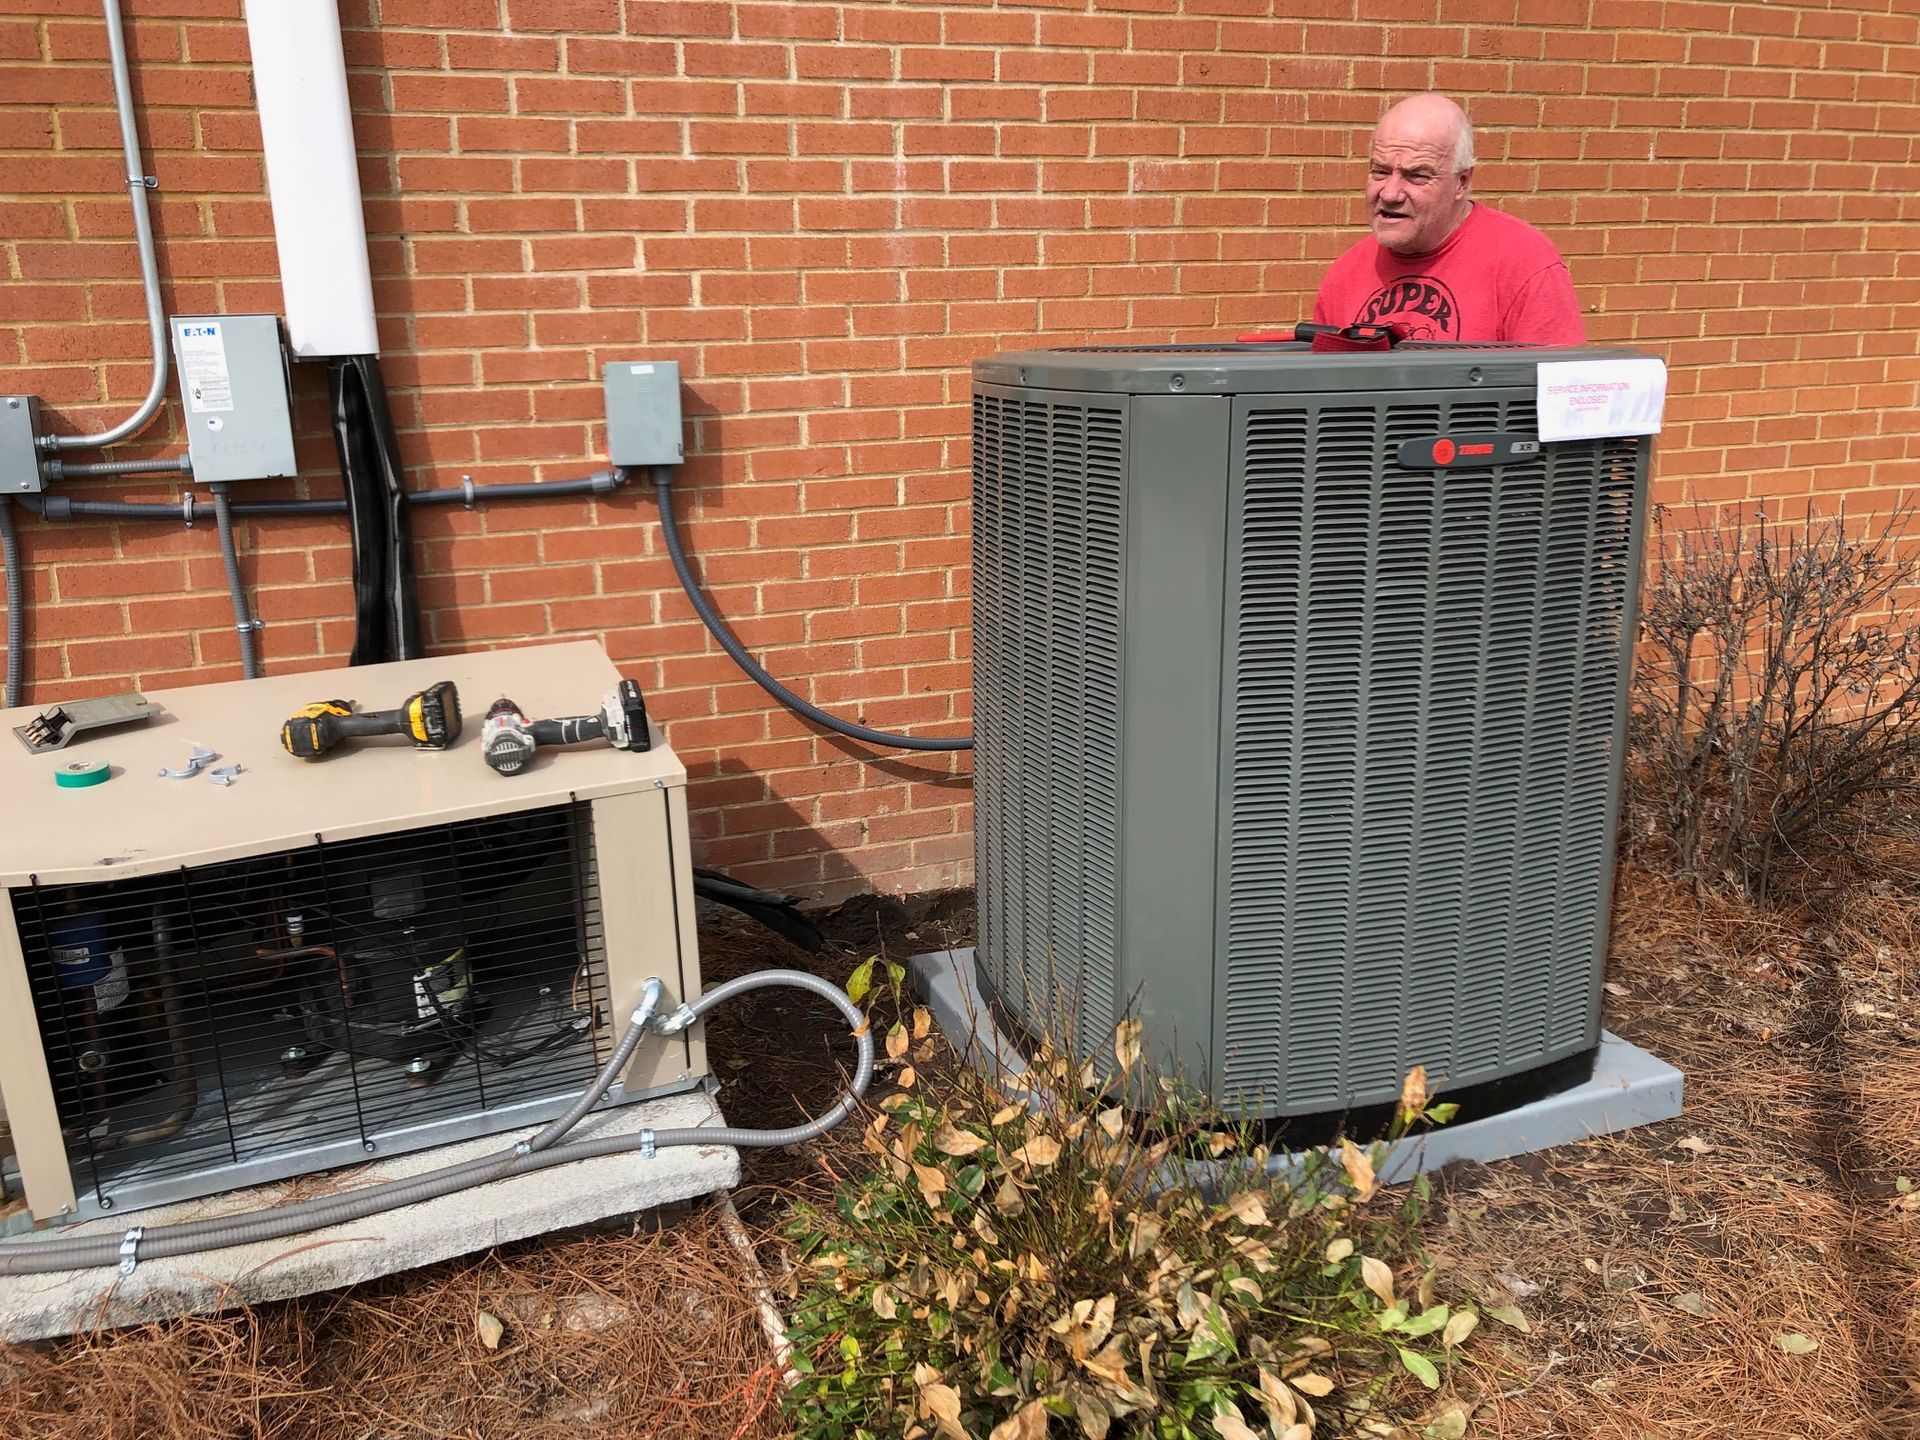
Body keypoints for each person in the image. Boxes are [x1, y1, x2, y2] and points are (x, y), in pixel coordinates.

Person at [1313, 94, 1586, 347]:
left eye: (1417, 176)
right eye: (1380, 171)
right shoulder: (1343, 276)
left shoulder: (1525, 263)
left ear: (1462, 182)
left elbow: (1560, 390)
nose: (1390, 193)